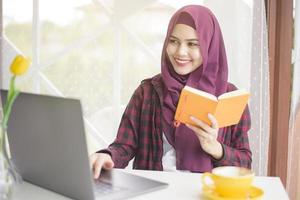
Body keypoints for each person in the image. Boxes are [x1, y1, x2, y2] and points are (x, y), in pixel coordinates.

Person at [90, 5, 252, 178]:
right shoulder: (147, 92)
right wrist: (106, 155)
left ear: (209, 45)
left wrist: (216, 149)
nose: (180, 52)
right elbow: (124, 146)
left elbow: (245, 163)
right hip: (154, 191)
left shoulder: (229, 97)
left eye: (193, 44)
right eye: (173, 41)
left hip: (205, 192)